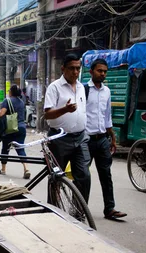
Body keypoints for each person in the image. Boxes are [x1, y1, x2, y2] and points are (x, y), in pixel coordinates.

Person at [44, 53, 91, 202]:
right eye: (72, 68)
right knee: (56, 178)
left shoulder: (81, 87)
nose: (75, 72)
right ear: (63, 69)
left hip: (80, 137)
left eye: (78, 68)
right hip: (59, 139)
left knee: (84, 176)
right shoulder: (54, 87)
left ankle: (79, 212)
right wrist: (65, 109)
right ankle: (52, 211)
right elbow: (48, 114)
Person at [85, 58, 127, 220]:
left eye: (104, 71)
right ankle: (80, 208)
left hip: (102, 139)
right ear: (91, 71)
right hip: (86, 140)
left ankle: (109, 209)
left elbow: (107, 115)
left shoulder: (106, 91)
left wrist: (113, 137)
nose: (102, 74)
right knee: (83, 176)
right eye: (99, 71)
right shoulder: (84, 90)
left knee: (106, 175)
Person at [0, 85, 30, 179]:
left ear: (11, 92)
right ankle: (26, 169)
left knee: (5, 148)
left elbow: (2, 113)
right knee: (20, 148)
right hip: (22, 128)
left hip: (10, 128)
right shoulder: (21, 102)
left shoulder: (7, 101)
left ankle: (3, 169)